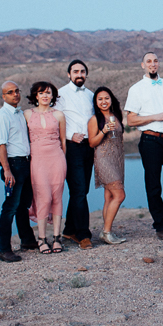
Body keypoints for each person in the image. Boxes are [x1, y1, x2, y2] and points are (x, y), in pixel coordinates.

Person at [123, 52, 163, 240]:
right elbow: (130, 119)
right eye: (149, 61)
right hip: (150, 141)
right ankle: (161, 226)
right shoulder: (136, 89)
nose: (152, 64)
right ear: (143, 65)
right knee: (153, 185)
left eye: (155, 61)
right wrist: (154, 116)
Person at [0, 81, 40, 262]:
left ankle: (27, 240)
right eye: (10, 92)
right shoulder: (1, 116)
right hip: (13, 165)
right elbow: (1, 145)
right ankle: (4, 249)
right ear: (4, 96)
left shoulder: (18, 113)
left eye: (17, 91)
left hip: (25, 163)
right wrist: (7, 170)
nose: (15, 94)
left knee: (22, 206)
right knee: (9, 207)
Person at [53, 59, 95, 250]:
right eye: (75, 71)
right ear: (69, 74)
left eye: (82, 71)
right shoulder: (60, 94)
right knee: (78, 191)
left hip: (89, 147)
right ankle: (83, 235)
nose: (79, 74)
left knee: (82, 191)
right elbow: (55, 120)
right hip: (71, 148)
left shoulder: (91, 95)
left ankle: (69, 229)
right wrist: (70, 135)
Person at [24, 81, 68, 254]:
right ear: (36, 95)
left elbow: (63, 141)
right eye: (41, 93)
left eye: (48, 93)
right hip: (37, 160)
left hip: (56, 159)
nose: (45, 96)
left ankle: (57, 238)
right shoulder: (27, 114)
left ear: (53, 96)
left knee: (57, 197)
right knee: (44, 197)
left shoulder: (59, 115)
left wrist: (63, 160)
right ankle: (42, 238)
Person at [88, 86, 127, 245]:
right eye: (100, 99)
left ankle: (106, 230)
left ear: (111, 100)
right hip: (104, 159)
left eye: (106, 98)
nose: (103, 101)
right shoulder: (94, 120)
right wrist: (103, 131)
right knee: (120, 195)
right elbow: (92, 143)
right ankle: (106, 232)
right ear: (96, 102)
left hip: (117, 159)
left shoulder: (116, 115)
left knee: (109, 196)